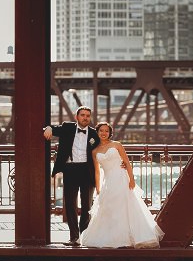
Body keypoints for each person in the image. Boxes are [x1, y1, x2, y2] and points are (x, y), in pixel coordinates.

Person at [79, 122, 165, 248]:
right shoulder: (94, 151)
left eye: (106, 131)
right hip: (108, 181)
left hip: (121, 177)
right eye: (101, 130)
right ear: (97, 132)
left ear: (110, 133)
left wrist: (132, 179)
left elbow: (127, 162)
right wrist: (98, 188)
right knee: (109, 208)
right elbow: (97, 171)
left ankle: (131, 237)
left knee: (126, 205)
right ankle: (111, 236)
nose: (104, 133)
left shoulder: (117, 145)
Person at [45, 106, 100, 246]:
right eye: (82, 115)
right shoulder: (67, 127)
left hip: (87, 171)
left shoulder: (95, 134)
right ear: (77, 117)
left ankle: (84, 237)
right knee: (70, 204)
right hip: (70, 169)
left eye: (88, 115)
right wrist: (49, 128)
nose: (85, 118)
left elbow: (106, 146)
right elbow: (52, 128)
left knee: (87, 204)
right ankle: (74, 237)